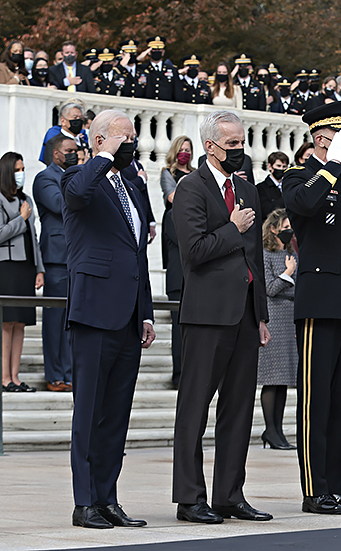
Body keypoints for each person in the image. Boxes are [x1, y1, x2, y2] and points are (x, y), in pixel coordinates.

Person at [171, 110, 272, 524]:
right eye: (232, 145)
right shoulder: (190, 188)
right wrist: (231, 227)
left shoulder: (246, 189)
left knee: (239, 408)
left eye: (242, 144)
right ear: (210, 146)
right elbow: (193, 252)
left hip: (246, 314)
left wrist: (262, 313)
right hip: (208, 315)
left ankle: (229, 494)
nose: (240, 152)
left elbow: (256, 257)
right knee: (194, 407)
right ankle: (190, 498)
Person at [62, 111, 154, 528]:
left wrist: (147, 312)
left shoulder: (132, 188)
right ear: (101, 140)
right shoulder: (77, 178)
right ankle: (84, 503)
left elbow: (139, 256)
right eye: (125, 137)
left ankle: (107, 498)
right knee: (89, 413)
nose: (132, 143)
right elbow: (79, 192)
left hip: (129, 316)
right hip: (94, 312)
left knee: (116, 414)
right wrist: (103, 156)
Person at [281, 101, 341, 515]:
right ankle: (314, 489)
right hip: (319, 301)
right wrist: (331, 167)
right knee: (316, 400)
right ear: (321, 137)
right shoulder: (299, 176)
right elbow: (306, 207)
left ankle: (335, 485)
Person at [33, 135, 78, 392]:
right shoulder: (45, 178)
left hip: (77, 256)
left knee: (73, 320)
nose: (73, 154)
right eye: (68, 150)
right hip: (56, 258)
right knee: (54, 320)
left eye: (76, 150)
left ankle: (70, 374)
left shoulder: (76, 176)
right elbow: (61, 204)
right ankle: (54, 375)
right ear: (56, 154)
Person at [0, 152, 43, 393]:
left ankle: (15, 377)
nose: (21, 173)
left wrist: (40, 269)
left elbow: (33, 237)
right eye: (17, 169)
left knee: (21, 323)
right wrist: (21, 218)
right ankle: (4, 377)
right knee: (7, 322)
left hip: (27, 266)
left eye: (23, 168)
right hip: (7, 266)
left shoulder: (26, 198)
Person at [257, 209, 298, 450]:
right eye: (285, 226)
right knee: (271, 379)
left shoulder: (291, 253)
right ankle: (270, 430)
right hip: (272, 318)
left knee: (283, 379)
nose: (289, 230)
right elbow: (270, 288)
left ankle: (278, 431)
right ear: (273, 229)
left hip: (289, 317)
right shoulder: (264, 254)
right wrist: (288, 273)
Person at [160, 136, 194, 388]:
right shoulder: (172, 216)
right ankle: (179, 374)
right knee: (178, 330)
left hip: (195, 279)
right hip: (178, 279)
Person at [139, 36, 181, 101]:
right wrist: (139, 58)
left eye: (159, 50)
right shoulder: (142, 68)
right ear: (149, 52)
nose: (157, 51)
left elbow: (177, 92)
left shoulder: (172, 70)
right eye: (154, 50)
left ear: (163, 52)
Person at [257, 151, 288, 221]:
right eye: (278, 166)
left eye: (284, 166)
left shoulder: (288, 186)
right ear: (270, 166)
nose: (281, 169)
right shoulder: (261, 188)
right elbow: (265, 210)